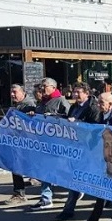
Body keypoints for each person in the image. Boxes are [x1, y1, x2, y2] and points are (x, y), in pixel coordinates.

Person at [80, 95, 112, 221]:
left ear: (110, 104)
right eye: (98, 102)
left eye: (101, 103)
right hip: (107, 156)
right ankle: (93, 219)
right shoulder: (102, 115)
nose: (98, 105)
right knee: (103, 187)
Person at [56, 82, 101, 220]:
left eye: (79, 92)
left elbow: (95, 128)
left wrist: (77, 122)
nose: (75, 95)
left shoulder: (93, 108)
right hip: (77, 148)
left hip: (90, 149)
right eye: (74, 92)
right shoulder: (74, 107)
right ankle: (68, 209)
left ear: (86, 93)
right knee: (75, 177)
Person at [29, 78, 71, 211]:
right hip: (44, 142)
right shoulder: (42, 102)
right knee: (44, 169)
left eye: (44, 86)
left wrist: (55, 116)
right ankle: (46, 198)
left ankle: (75, 189)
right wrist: (33, 115)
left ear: (53, 87)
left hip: (59, 144)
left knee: (62, 169)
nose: (42, 89)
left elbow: (70, 119)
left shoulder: (61, 100)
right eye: (41, 86)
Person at [3, 84, 37, 205]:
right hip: (18, 142)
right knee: (15, 165)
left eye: (15, 92)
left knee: (17, 165)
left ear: (23, 92)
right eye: (11, 92)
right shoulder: (16, 106)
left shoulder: (29, 105)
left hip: (28, 142)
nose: (12, 94)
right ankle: (20, 191)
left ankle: (20, 193)